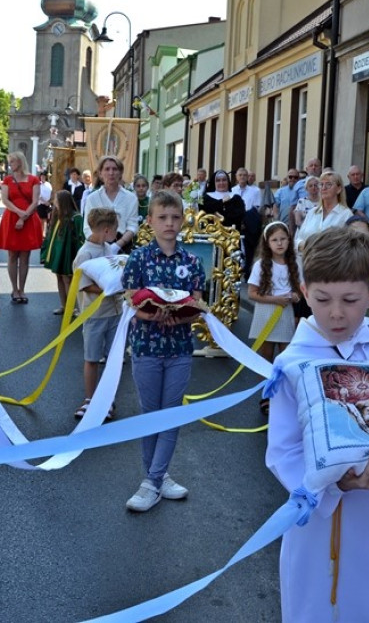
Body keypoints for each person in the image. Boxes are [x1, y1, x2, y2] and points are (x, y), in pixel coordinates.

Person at [265, 227, 369, 622]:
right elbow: (284, 450)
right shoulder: (292, 364)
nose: (336, 313)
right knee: (317, 604)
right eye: (323, 300)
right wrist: (337, 484)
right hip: (315, 525)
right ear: (305, 291)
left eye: (350, 300)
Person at [121, 190, 206, 512]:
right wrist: (149, 313)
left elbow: (196, 303)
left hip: (181, 347)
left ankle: (152, 481)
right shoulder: (139, 258)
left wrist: (183, 313)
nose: (169, 223)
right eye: (162, 218)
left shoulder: (192, 261)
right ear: (150, 221)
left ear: (182, 220)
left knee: (171, 414)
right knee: (150, 414)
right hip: (146, 345)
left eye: (175, 217)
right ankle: (159, 477)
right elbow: (130, 298)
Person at [72, 207, 122, 420]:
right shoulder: (86, 253)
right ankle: (90, 399)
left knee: (113, 358)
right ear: (107, 230)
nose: (116, 234)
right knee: (92, 357)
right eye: (115, 230)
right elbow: (82, 284)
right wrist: (106, 289)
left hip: (114, 312)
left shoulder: (108, 248)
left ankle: (107, 399)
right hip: (94, 314)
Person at [247, 221, 301, 414]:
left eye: (283, 239)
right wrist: (274, 299)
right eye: (274, 240)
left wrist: (295, 296)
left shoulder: (295, 263)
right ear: (267, 243)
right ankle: (267, 396)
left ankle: (284, 397)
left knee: (285, 356)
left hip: (285, 312)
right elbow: (252, 293)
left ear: (289, 240)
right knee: (266, 356)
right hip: (266, 311)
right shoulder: (261, 265)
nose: (279, 243)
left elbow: (299, 290)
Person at [0, 151, 43, 304]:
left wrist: (24, 216)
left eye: (12, 162)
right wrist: (19, 213)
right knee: (12, 255)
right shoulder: (8, 180)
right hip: (12, 218)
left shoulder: (34, 179)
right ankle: (14, 288)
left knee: (25, 257)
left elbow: (35, 201)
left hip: (28, 219)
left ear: (20, 162)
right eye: (9, 162)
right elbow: (5, 200)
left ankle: (22, 288)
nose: (10, 165)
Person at [82, 155, 140, 256]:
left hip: (123, 247)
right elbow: (87, 228)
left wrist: (117, 245)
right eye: (107, 169)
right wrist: (100, 246)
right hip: (97, 247)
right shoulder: (92, 198)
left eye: (115, 169)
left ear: (120, 172)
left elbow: (133, 226)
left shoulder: (131, 198)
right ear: (100, 173)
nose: (111, 173)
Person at [41, 190, 84, 316]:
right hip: (58, 253)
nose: (55, 203)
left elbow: (81, 236)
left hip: (69, 254)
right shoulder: (57, 217)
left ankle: (72, 307)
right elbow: (51, 237)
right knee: (59, 277)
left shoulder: (76, 218)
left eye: (57, 201)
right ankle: (64, 305)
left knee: (67, 279)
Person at [295, 171, 352, 253]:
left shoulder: (346, 215)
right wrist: (304, 246)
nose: (324, 188)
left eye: (329, 184)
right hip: (306, 262)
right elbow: (298, 239)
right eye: (321, 184)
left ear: (339, 189)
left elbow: (349, 246)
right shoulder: (312, 213)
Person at [233, 167, 263, 277]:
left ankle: (248, 272)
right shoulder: (232, 190)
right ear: (236, 177)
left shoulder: (255, 191)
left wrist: (246, 220)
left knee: (249, 248)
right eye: (240, 175)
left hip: (250, 221)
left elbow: (256, 207)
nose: (242, 177)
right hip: (235, 221)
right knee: (236, 247)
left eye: (244, 175)